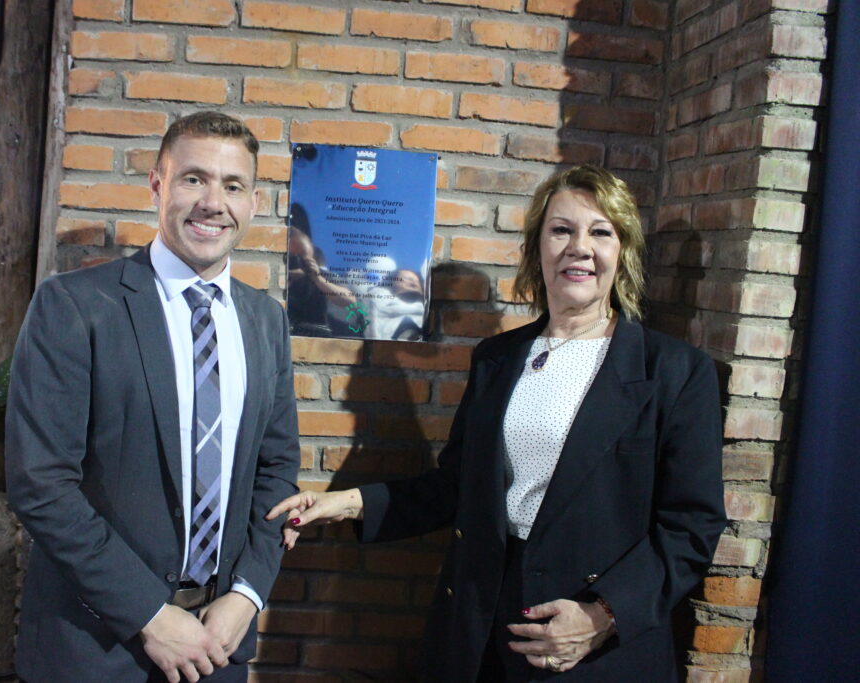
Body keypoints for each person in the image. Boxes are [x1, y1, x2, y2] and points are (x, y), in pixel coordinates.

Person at [268, 165, 727, 682]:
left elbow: (691, 529)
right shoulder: (498, 358)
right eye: (561, 230)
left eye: (601, 232)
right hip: (480, 626)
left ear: (622, 252)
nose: (579, 248)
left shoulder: (674, 372)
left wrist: (602, 616)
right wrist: (345, 503)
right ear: (537, 248)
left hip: (593, 646)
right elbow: (456, 485)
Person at [6, 111, 300, 683]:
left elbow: (277, 469)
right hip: (94, 647)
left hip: (218, 642)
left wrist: (247, 594)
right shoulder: (74, 306)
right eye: (193, 179)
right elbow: (40, 483)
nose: (212, 202)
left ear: (253, 202)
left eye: (232, 186)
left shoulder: (266, 321)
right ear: (157, 185)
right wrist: (149, 615)